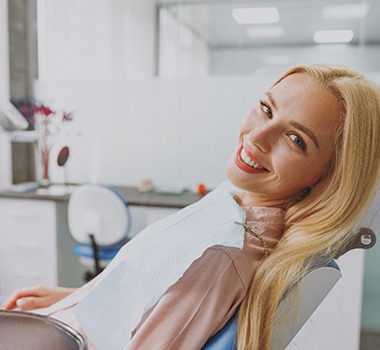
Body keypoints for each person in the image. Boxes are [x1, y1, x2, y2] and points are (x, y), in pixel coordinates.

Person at [2, 64, 380, 350]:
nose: (258, 137)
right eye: (266, 109)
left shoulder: (221, 253)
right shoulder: (230, 201)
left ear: (327, 177)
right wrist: (74, 297)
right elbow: (145, 287)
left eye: (296, 139)